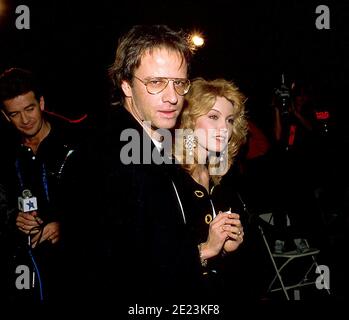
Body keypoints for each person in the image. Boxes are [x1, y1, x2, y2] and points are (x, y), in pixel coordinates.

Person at [65, 24, 207, 305]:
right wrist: (203, 252)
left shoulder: (154, 143)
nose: (173, 97)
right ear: (126, 85)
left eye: (179, 83)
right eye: (156, 83)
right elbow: (109, 271)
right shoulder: (104, 157)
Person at [0, 67, 80, 302]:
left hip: (74, 271)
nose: (25, 120)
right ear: (5, 116)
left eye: (29, 109)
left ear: (41, 103)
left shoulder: (75, 143)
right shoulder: (5, 153)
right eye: (14, 114)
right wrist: (13, 217)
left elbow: (99, 203)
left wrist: (65, 225)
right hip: (25, 273)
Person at [172, 77, 249, 297]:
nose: (224, 127)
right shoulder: (168, 176)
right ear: (189, 120)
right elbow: (151, 261)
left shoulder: (217, 178)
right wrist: (207, 249)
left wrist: (227, 246)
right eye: (213, 116)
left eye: (230, 120)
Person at [270, 78, 322, 253]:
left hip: (302, 166)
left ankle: (299, 238)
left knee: (299, 204)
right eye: (297, 96)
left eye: (302, 96)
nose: (300, 99)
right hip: (284, 164)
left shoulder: (309, 113)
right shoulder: (286, 113)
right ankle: (280, 240)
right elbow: (277, 137)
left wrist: (297, 114)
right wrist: (277, 109)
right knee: (281, 202)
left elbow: (313, 130)